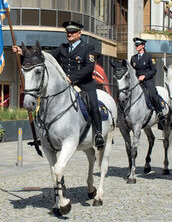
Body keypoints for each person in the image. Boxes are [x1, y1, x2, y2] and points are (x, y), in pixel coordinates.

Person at [12, 21, 105, 149]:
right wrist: (22, 51)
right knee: (46, 103)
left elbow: (89, 68)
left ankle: (98, 134)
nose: (70, 34)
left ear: (79, 33)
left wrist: (71, 78)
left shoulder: (88, 48)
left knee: (93, 105)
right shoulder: (62, 48)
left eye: (73, 32)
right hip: (65, 85)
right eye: (68, 32)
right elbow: (44, 56)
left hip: (84, 84)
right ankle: (44, 135)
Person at [130, 37, 166, 127]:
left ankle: (159, 112)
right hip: (137, 82)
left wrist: (145, 76)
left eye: (138, 45)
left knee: (153, 95)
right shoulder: (133, 58)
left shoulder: (149, 57)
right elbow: (131, 70)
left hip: (148, 81)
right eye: (136, 45)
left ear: (143, 46)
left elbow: (154, 70)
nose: (136, 47)